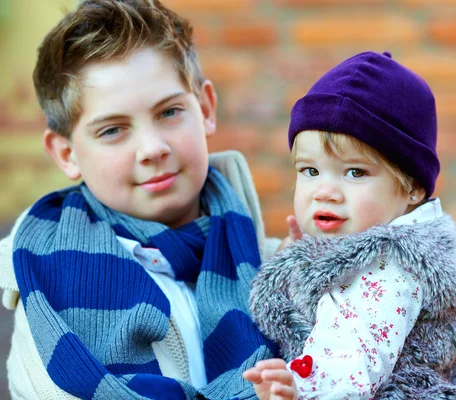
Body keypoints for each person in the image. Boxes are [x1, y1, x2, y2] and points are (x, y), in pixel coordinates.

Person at [0, 0, 283, 398]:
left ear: (204, 108)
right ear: (66, 154)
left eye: (169, 112)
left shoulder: (276, 269)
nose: (152, 148)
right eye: (113, 130)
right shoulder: (47, 289)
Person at [243, 51, 456, 399]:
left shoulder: (391, 268)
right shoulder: (390, 245)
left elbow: (354, 352)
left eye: (355, 172)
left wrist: (299, 388)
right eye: (310, 171)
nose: (325, 192)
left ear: (412, 187)